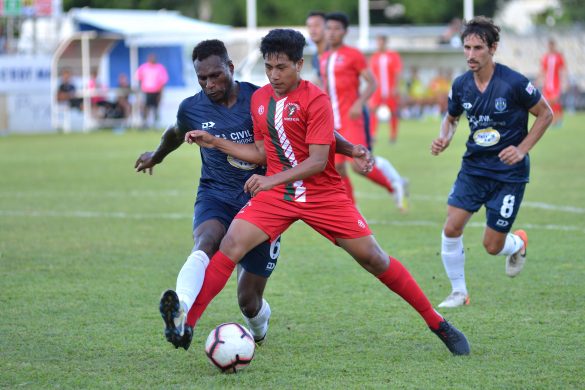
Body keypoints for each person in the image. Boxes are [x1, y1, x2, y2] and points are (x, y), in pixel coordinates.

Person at [182, 29, 470, 356]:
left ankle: (437, 322)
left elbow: (318, 161)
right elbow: (262, 152)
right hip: (277, 196)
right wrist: (217, 142)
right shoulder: (261, 100)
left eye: (282, 68)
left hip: (322, 194)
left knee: (374, 258)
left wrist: (277, 178)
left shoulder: (316, 99)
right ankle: (187, 324)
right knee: (230, 245)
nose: (274, 75)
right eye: (268, 67)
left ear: (299, 64)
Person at [134, 39, 374, 350]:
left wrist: (351, 149)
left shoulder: (260, 98)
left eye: (216, 76)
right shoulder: (191, 109)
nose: (209, 84)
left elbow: (317, 131)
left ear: (230, 69)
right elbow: (174, 133)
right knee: (206, 241)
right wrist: (157, 155)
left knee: (248, 300)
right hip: (216, 193)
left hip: (264, 200)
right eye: (202, 78)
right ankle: (180, 308)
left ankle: (258, 329)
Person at [431, 16, 553, 308]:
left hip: (509, 174)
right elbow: (451, 118)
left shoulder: (513, 82)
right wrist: (444, 137)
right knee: (451, 227)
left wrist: (522, 149)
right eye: (467, 48)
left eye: (478, 48)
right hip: (474, 168)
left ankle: (518, 243)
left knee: (491, 246)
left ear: (493, 48)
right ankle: (459, 292)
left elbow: (546, 114)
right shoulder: (461, 85)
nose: (470, 55)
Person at [320, 12, 408, 211]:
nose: (332, 33)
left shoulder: (353, 54)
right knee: (338, 167)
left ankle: (394, 186)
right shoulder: (324, 57)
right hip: (333, 120)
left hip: (352, 118)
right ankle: (353, 212)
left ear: (345, 31)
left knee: (356, 164)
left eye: (336, 29)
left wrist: (359, 103)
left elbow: (372, 82)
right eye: (329, 28)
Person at [369, 35, 402, 143]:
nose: (379, 44)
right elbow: (371, 74)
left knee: (393, 112)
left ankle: (393, 135)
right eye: (378, 42)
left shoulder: (393, 55)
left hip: (390, 89)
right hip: (377, 91)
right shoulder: (374, 57)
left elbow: (397, 72)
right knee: (373, 111)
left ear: (385, 43)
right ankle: (373, 135)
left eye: (381, 42)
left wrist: (396, 87)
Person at [135, 53, 169, 128]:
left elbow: (163, 81)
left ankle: (156, 123)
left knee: (156, 108)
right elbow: (138, 78)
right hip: (146, 91)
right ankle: (144, 123)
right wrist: (140, 90)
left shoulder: (160, 68)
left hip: (157, 91)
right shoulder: (143, 67)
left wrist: (161, 93)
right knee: (145, 107)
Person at [539, 38, 567, 127]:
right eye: (549, 45)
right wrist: (539, 79)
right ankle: (553, 120)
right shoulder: (545, 57)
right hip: (547, 83)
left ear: (554, 46)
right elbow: (542, 70)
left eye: (552, 45)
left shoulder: (559, 57)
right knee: (548, 103)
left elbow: (563, 70)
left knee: (555, 101)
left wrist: (565, 82)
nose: (550, 47)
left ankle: (559, 120)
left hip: (556, 82)